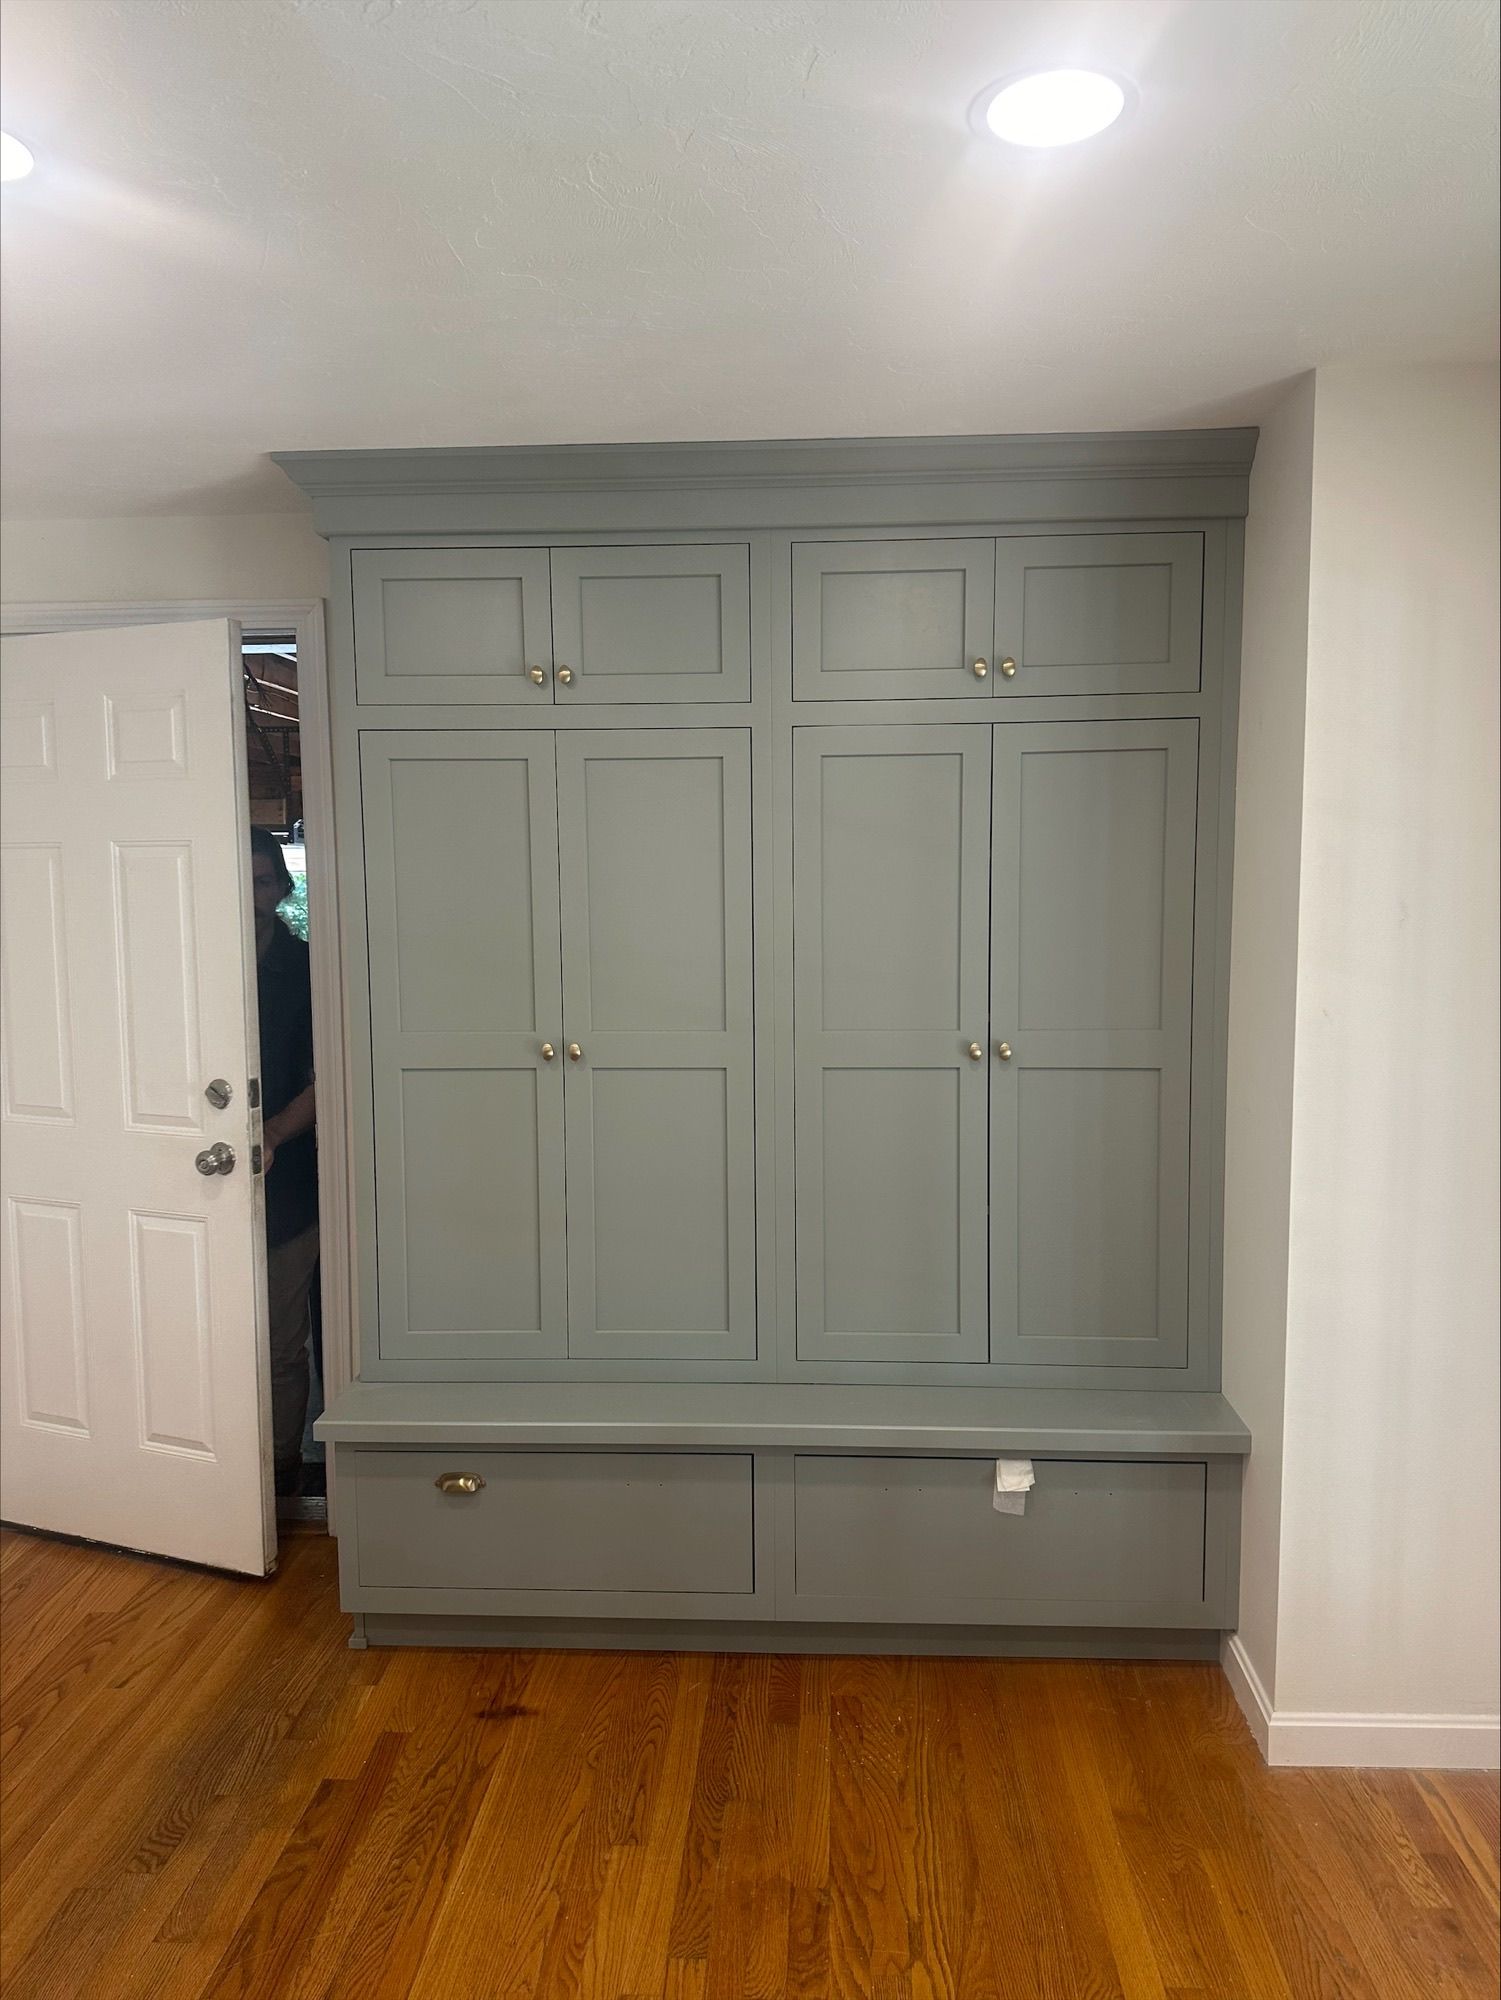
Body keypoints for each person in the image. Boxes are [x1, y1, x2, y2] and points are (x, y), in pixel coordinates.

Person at [249, 827, 318, 1497]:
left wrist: (271, 1133)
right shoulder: (175, 960)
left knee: (277, 1339)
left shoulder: (306, 971)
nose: (250, 898)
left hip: (292, 1178)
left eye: (263, 882)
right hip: (191, 1172)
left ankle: (279, 1476)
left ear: (283, 888)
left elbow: (330, 1080)